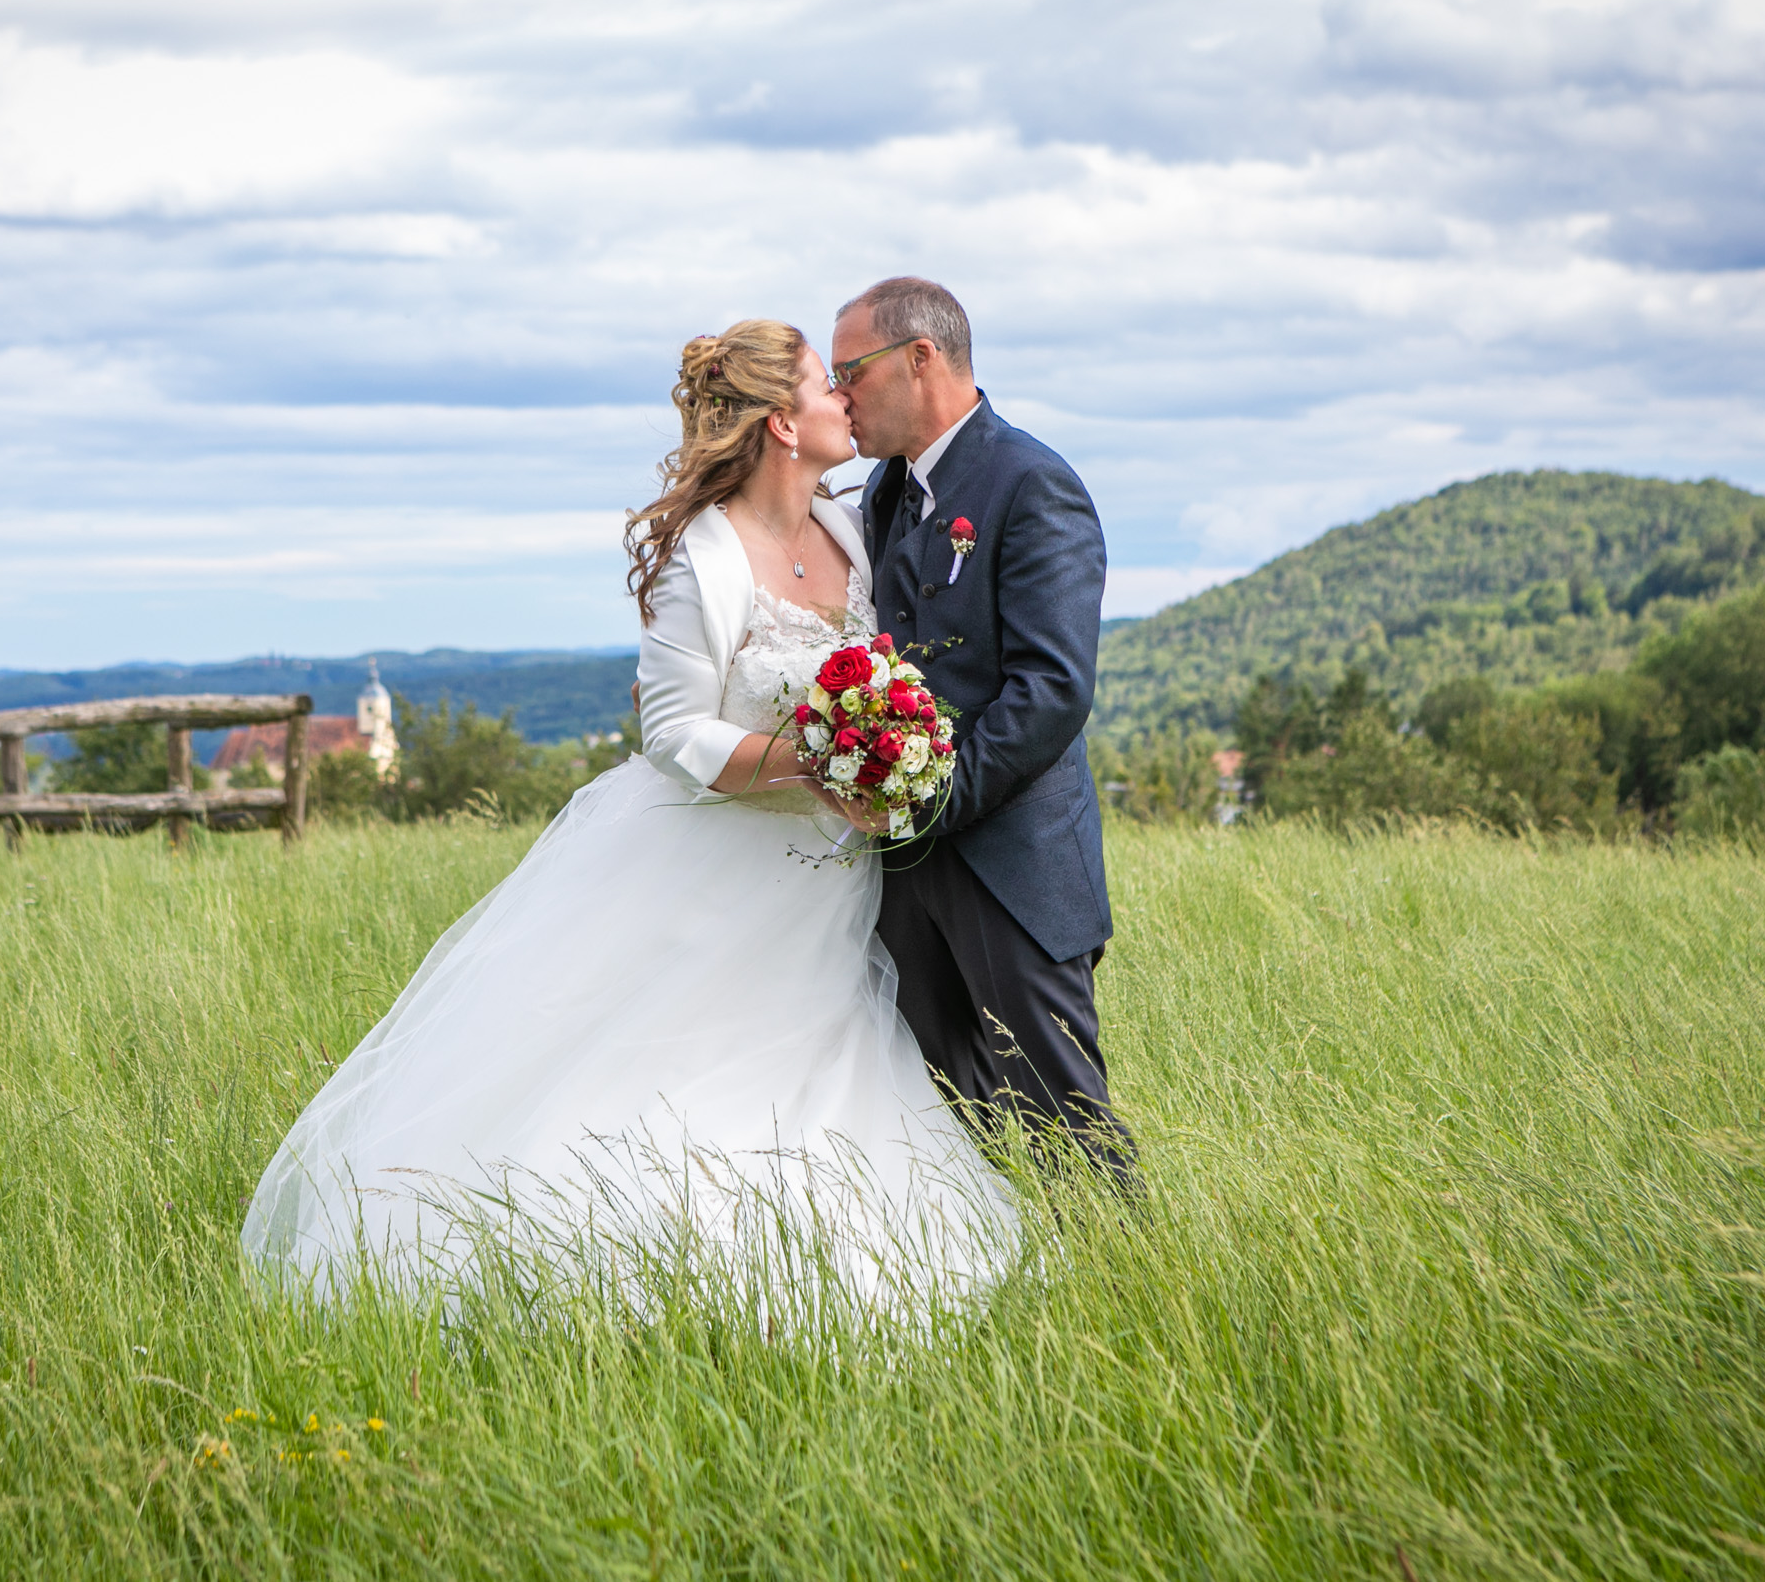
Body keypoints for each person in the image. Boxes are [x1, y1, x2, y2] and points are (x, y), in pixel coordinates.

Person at [242, 319, 1016, 1302]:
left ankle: (817, 1269)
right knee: (674, 1074)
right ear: (782, 422)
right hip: (716, 862)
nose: (843, 401)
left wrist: (877, 756)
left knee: (820, 1068)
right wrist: (809, 763)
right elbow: (670, 729)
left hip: (826, 878)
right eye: (827, 385)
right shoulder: (709, 550)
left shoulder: (847, 531)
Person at [831, 277, 1139, 1191]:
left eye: (851, 370)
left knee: (1063, 1123)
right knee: (946, 1123)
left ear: (921, 357)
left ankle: (1126, 1293)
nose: (839, 394)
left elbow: (1052, 690)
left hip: (1015, 864)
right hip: (901, 874)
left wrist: (932, 798)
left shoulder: (1032, 482)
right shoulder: (883, 495)